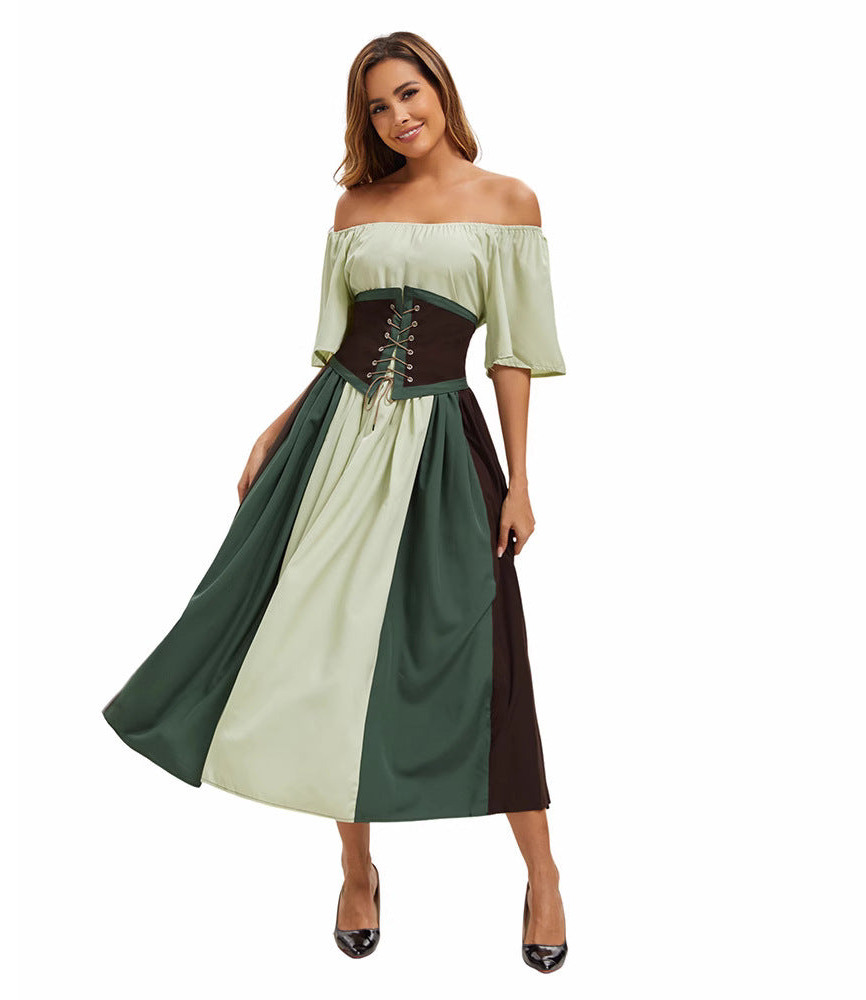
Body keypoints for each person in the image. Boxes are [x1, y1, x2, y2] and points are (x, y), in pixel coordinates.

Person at [102, 30, 568, 971]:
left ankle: (545, 876)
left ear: (441, 89)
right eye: (378, 107)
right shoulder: (356, 206)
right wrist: (277, 426)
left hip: (440, 451)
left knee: (487, 662)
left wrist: (522, 479)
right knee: (325, 651)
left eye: (409, 94)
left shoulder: (508, 202)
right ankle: (357, 870)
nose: (398, 117)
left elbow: (511, 353)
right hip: (330, 442)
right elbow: (341, 344)